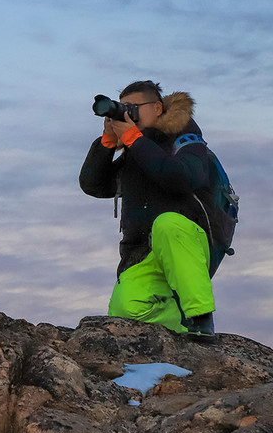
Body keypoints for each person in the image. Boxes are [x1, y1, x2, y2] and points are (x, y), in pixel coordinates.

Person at [79, 80, 216, 338]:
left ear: (156, 107)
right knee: (124, 310)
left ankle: (200, 317)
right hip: (144, 252)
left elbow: (185, 177)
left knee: (166, 224)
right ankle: (179, 324)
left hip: (188, 243)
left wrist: (134, 139)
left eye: (133, 106)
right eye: (123, 107)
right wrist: (108, 142)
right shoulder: (136, 151)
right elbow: (93, 185)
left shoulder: (186, 139)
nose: (127, 112)